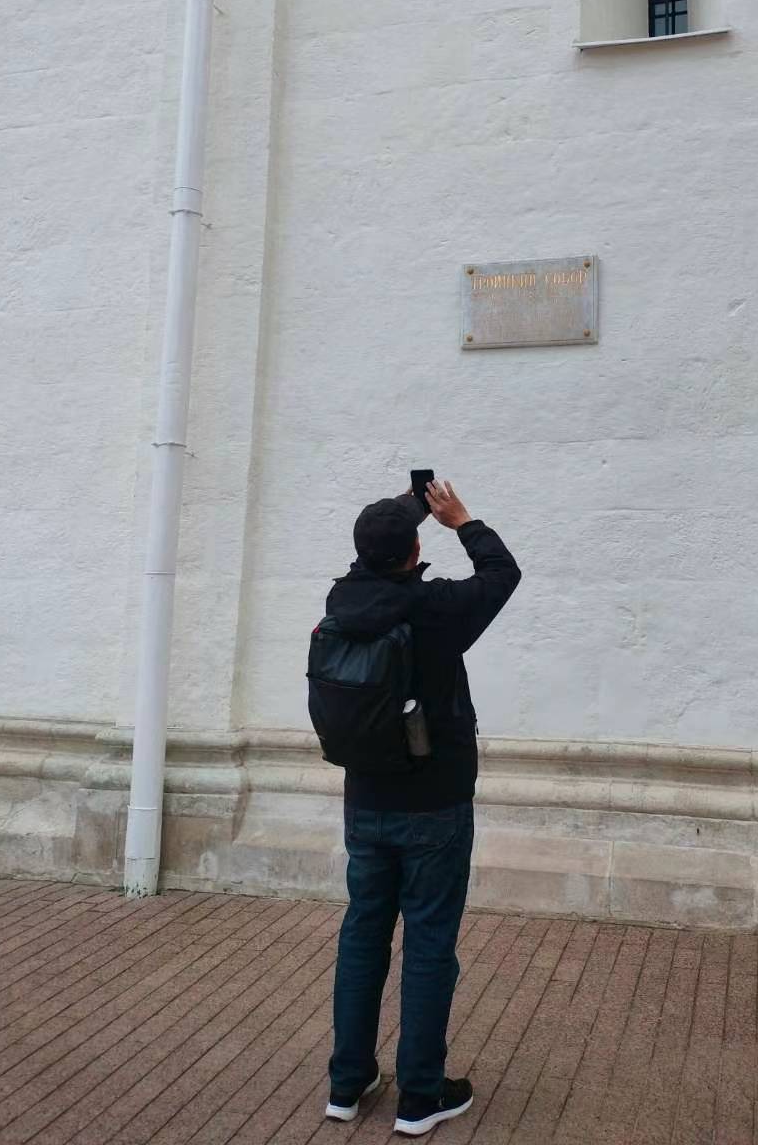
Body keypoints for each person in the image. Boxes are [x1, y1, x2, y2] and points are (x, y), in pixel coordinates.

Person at [324, 479, 521, 1137]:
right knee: (430, 944)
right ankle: (421, 1095)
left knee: (362, 936)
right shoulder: (435, 608)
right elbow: (502, 572)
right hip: (435, 803)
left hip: (366, 799)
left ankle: (347, 1084)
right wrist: (459, 520)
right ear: (414, 551)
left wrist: (405, 517)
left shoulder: (341, 604)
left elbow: (376, 558)